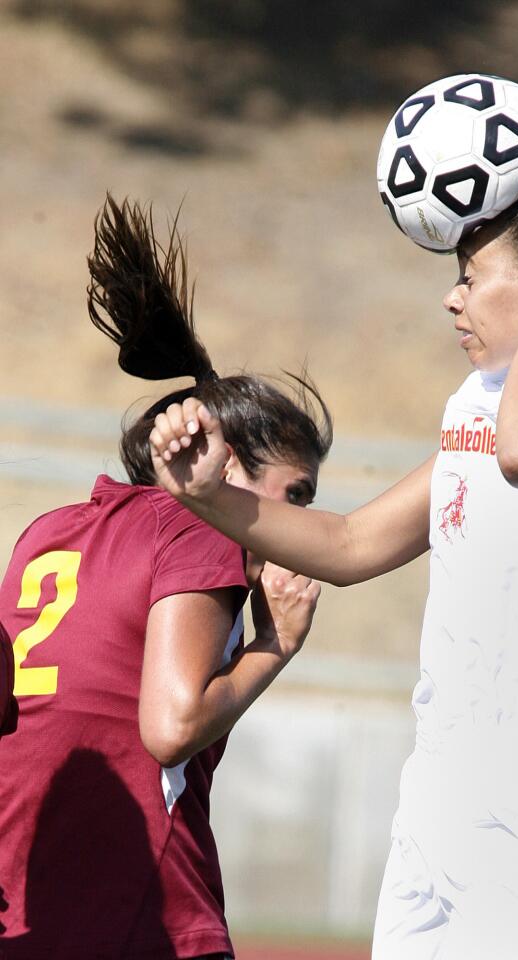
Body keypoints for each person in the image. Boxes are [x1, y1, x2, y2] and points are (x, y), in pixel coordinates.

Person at [149, 135, 518, 960]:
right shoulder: (479, 396)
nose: (452, 299)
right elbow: (353, 543)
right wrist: (207, 493)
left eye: (470, 277)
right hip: (439, 780)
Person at [0, 196, 332, 960]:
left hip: (25, 908)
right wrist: (275, 644)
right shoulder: (200, 527)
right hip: (137, 915)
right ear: (225, 467)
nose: (304, 524)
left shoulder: (51, 530)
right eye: (298, 494)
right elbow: (172, 728)